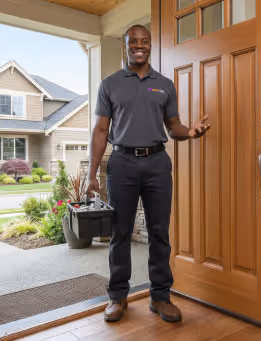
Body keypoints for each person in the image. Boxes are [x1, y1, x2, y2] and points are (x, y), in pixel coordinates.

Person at [86, 24, 210, 323]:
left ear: (150, 45)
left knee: (159, 233)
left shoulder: (165, 84)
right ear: (126, 46)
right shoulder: (110, 84)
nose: (138, 46)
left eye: (144, 42)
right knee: (120, 233)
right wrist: (92, 174)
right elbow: (101, 130)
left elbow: (174, 126)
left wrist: (191, 132)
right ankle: (117, 297)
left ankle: (160, 297)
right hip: (122, 163)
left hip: (156, 163)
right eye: (133, 42)